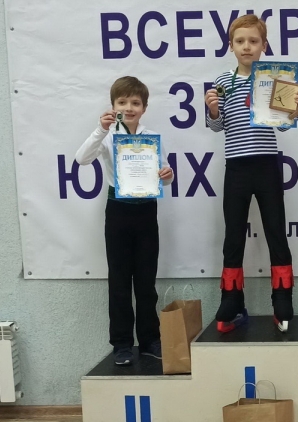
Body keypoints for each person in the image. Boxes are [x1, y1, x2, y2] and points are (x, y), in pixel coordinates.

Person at [204, 14, 298, 333]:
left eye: (253, 41)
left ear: (264, 45)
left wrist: (295, 110)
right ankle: (232, 301)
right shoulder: (223, 81)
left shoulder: (275, 80)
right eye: (240, 41)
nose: (246, 46)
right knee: (234, 235)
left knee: (276, 231)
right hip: (236, 167)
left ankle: (282, 299)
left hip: (266, 166)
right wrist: (213, 109)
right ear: (231, 46)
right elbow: (217, 126)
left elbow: (284, 125)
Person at [75, 76, 174, 365]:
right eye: (122, 102)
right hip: (118, 210)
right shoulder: (107, 136)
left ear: (144, 108)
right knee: (119, 280)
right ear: (113, 106)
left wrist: (167, 176)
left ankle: (149, 340)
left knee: (146, 280)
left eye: (135, 103)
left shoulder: (151, 136)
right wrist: (100, 129)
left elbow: (164, 175)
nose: (129, 107)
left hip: (146, 210)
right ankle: (121, 344)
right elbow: (81, 159)